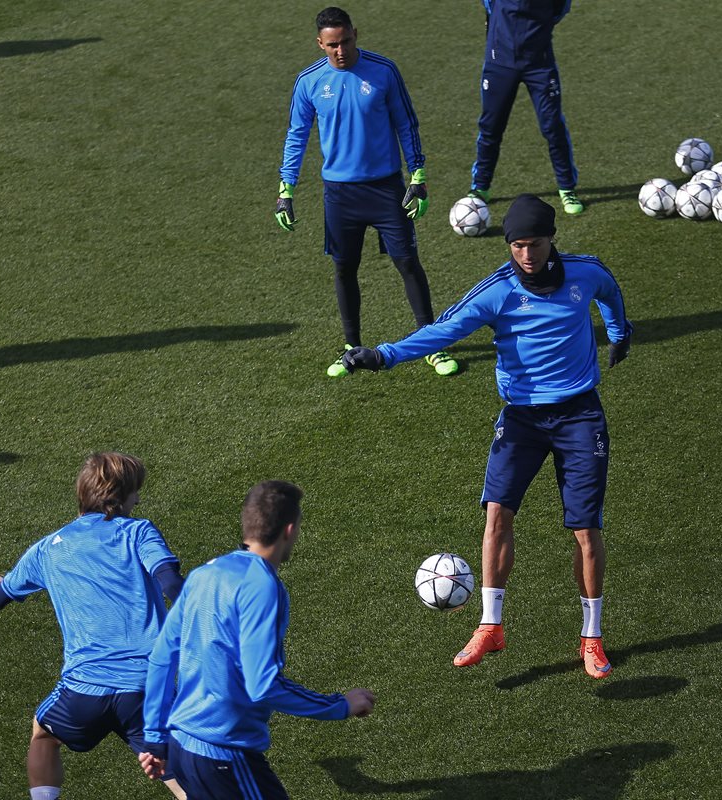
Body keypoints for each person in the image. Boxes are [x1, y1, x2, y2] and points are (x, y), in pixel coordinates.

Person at [342, 194, 630, 678]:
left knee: (585, 530)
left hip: (580, 416)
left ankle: (592, 637)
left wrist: (620, 333)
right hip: (521, 420)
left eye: (534, 244)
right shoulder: (497, 291)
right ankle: (491, 626)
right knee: (497, 514)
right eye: (517, 246)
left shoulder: (586, 272)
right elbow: (444, 331)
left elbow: (611, 293)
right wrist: (384, 355)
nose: (526, 255)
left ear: (551, 238)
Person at [139, 480, 375, 799]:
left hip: (181, 747)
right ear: (289, 530)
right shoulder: (263, 586)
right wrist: (339, 705)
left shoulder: (204, 574)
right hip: (224, 757)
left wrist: (155, 738)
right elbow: (262, 684)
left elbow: (162, 657)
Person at [0, 452, 186, 800]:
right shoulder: (138, 532)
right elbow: (172, 585)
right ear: (118, 497)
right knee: (182, 779)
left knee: (43, 734)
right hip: (147, 690)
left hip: (83, 693)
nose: (138, 499)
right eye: (135, 491)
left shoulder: (47, 549)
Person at [275, 6, 458, 378]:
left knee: (407, 262)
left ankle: (430, 342)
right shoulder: (309, 81)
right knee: (344, 269)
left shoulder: (383, 71)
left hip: (386, 189)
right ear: (320, 43)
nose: (341, 51)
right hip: (340, 195)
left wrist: (418, 176)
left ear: (355, 34)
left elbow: (407, 123)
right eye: (332, 45)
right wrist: (286, 189)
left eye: (346, 41)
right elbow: (297, 136)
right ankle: (351, 348)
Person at [468, 0, 584, 215]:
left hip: (540, 64)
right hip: (499, 62)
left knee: (552, 127)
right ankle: (480, 187)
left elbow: (559, 10)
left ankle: (567, 188)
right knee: (491, 126)